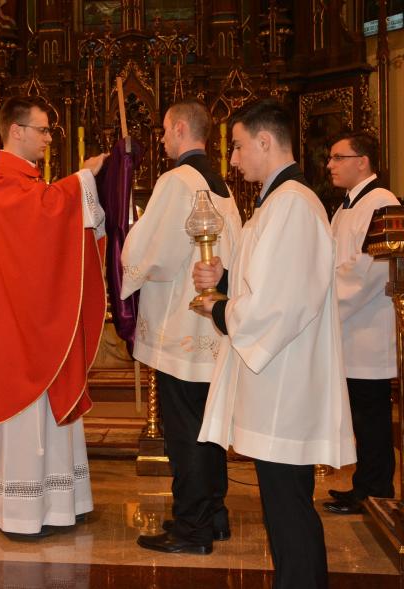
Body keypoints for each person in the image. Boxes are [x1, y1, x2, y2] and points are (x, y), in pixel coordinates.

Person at [192, 98, 355, 589]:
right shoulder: (278, 202)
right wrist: (226, 279)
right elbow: (269, 282)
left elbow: (279, 306)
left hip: (285, 385)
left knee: (289, 508)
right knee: (283, 508)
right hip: (277, 382)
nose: (233, 159)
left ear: (265, 141)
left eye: (239, 146)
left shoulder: (293, 205)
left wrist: (218, 308)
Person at [0, 96, 108, 537]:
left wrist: (79, 186)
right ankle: (22, 511)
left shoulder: (24, 181)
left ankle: (60, 503)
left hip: (33, 318)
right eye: (42, 130)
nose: (48, 139)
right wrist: (82, 178)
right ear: (16, 130)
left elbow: (47, 219)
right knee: (24, 417)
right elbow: (42, 214)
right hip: (14, 330)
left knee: (47, 412)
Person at [121, 98, 242, 555]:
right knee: (208, 428)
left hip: (181, 330)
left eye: (164, 131)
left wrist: (124, 254)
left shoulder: (176, 181)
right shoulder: (221, 186)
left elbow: (153, 252)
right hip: (213, 325)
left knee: (185, 431)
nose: (161, 139)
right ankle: (213, 515)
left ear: (178, 129)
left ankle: (192, 529)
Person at [322, 132, 398, 515]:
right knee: (361, 418)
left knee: (373, 418)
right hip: (349, 330)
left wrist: (323, 304)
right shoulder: (345, 207)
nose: (330, 165)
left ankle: (377, 491)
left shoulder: (382, 202)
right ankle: (363, 485)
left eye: (339, 157)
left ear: (363, 161)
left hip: (369, 330)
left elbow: (370, 269)